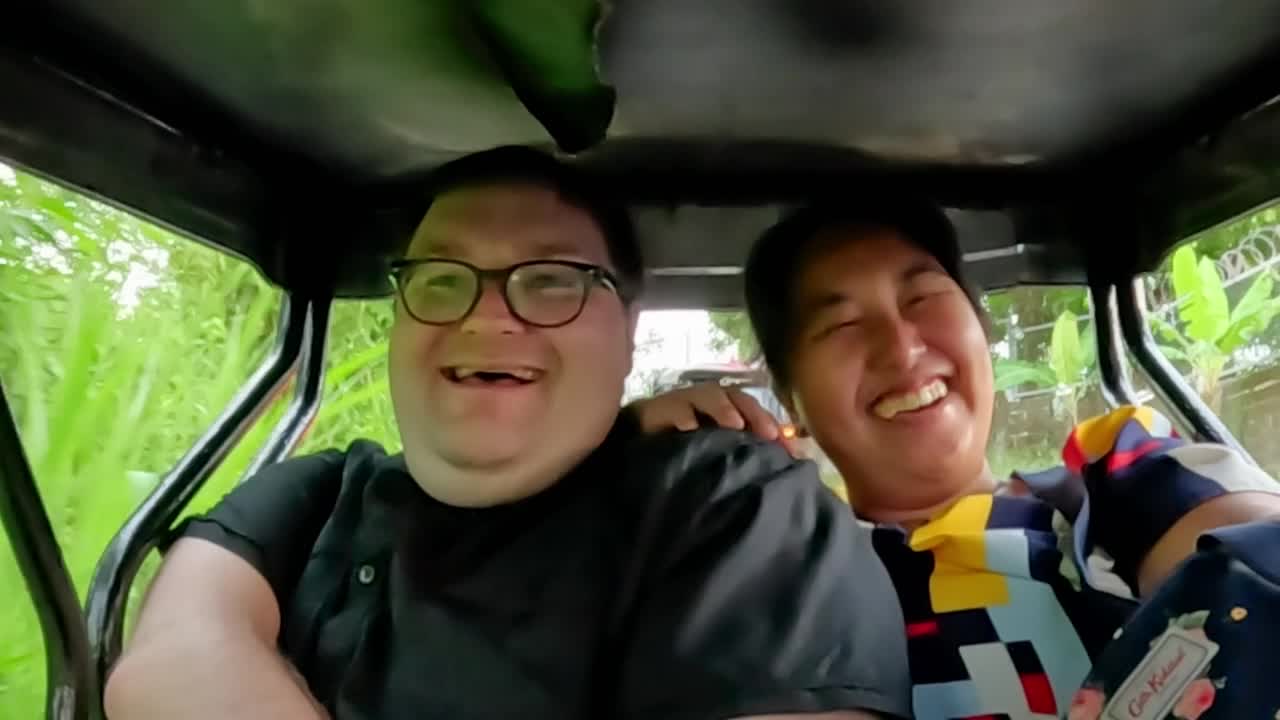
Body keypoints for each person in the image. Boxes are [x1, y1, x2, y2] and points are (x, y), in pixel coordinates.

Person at [102, 147, 913, 720]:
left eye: (553, 280)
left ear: (628, 334)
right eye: (441, 278)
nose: (488, 315)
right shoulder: (314, 493)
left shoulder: (730, 509)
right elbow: (173, 656)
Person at [631, 198, 1280, 719]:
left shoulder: (1113, 478)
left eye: (923, 299)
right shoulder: (783, 563)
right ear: (789, 395)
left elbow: (1252, 557)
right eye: (841, 325)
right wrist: (634, 460)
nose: (901, 348)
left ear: (981, 330)